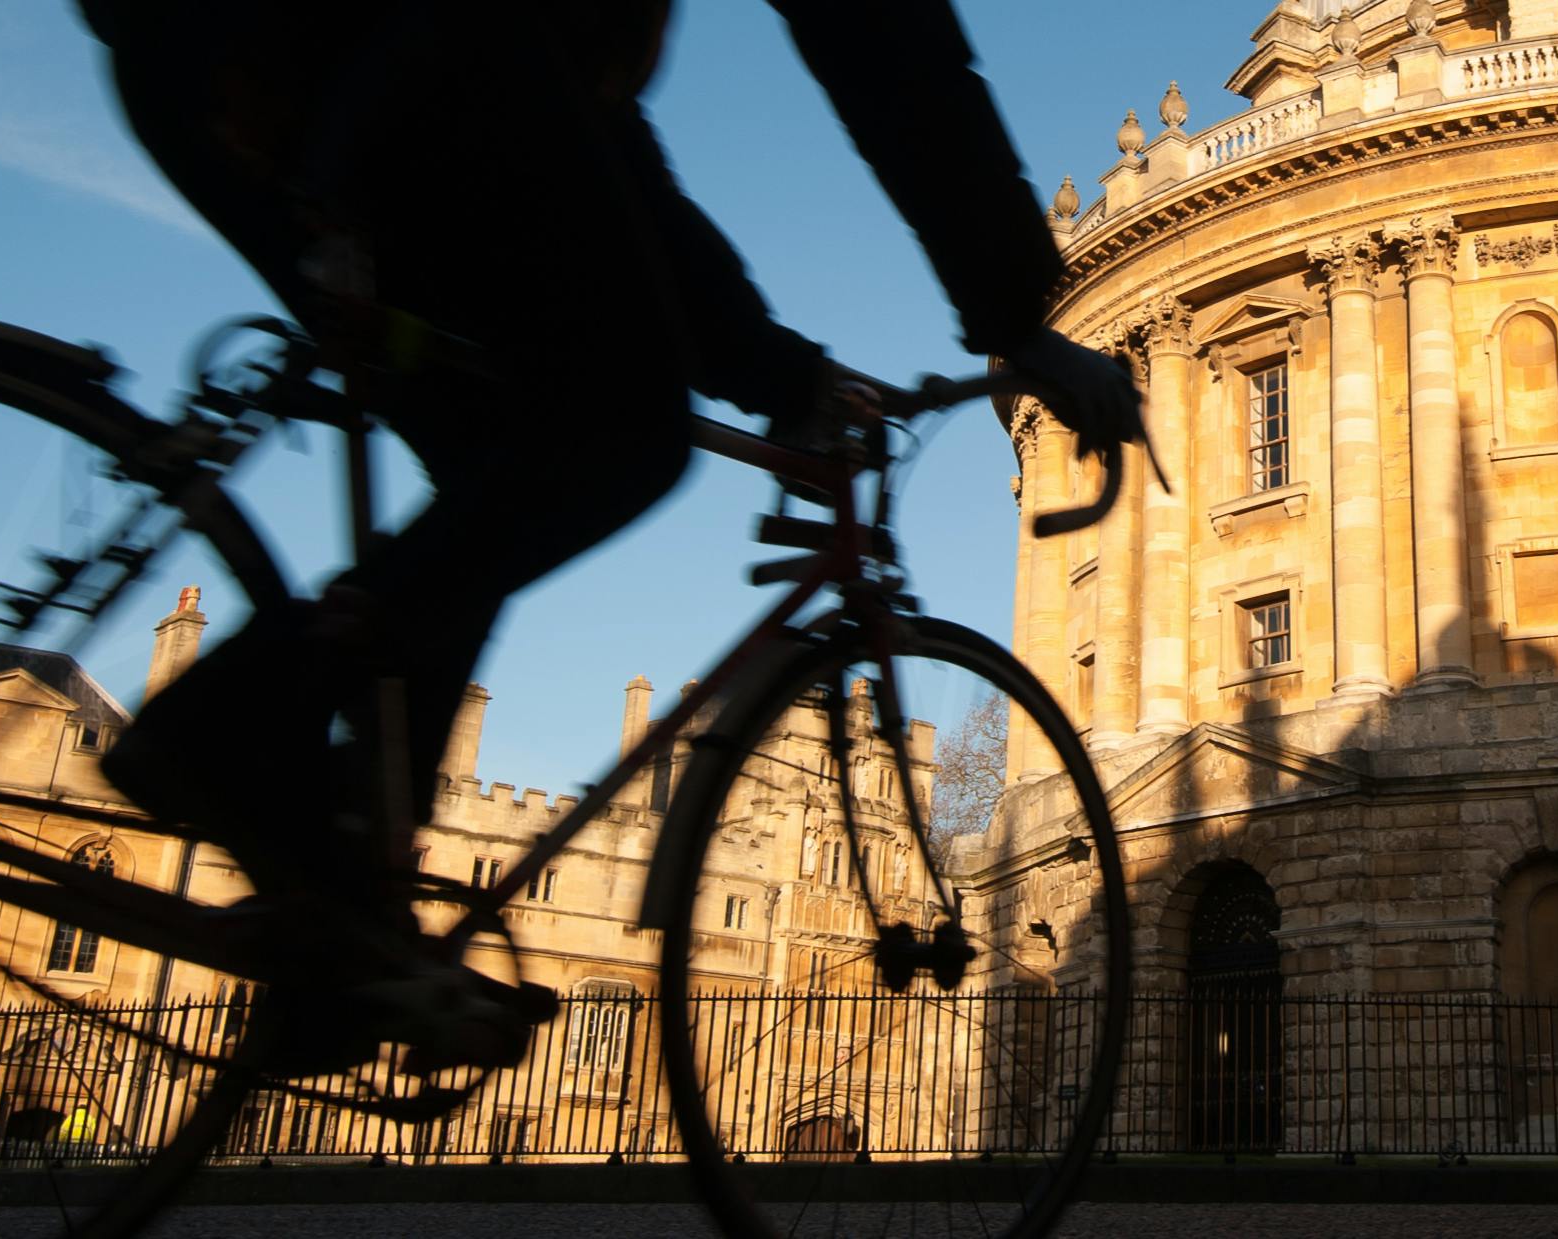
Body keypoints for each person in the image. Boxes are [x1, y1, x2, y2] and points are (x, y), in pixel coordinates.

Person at [69, 0, 1141, 1065]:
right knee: (619, 438)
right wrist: (1013, 321)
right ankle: (222, 729)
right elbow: (882, 43)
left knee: (496, 460)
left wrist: (782, 372)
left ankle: (344, 921)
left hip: (238, 64)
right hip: (356, 49)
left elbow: (614, 179)